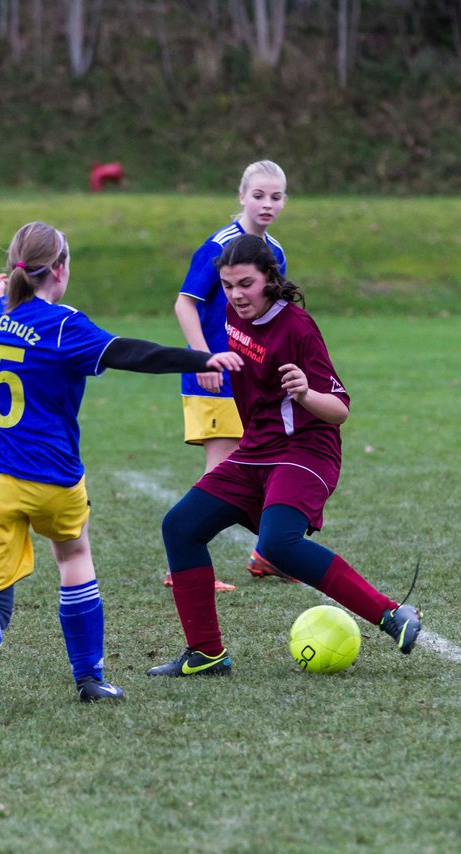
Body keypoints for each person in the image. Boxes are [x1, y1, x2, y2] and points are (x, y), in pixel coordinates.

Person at [0, 221, 243, 718]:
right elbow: (130, 353)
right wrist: (202, 356)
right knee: (74, 560)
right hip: (53, 478)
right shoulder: (62, 324)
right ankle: (90, 679)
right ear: (60, 270)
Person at [147, 233, 421, 677]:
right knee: (180, 526)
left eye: (246, 283)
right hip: (255, 450)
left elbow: (340, 411)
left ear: (269, 279)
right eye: (228, 285)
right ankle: (206, 654)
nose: (236, 295)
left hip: (305, 451)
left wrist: (305, 392)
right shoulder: (235, 320)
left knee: (277, 544)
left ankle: (392, 616)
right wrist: (213, 364)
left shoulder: (297, 327)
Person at [166, 160, 291, 590]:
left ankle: (267, 553)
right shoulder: (219, 245)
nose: (266, 204)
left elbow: (273, 319)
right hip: (214, 375)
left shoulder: (275, 253)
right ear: (241, 196)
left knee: (260, 464)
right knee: (222, 469)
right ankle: (184, 564)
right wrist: (202, 358)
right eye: (258, 195)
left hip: (252, 378)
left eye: (276, 197)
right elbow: (185, 304)